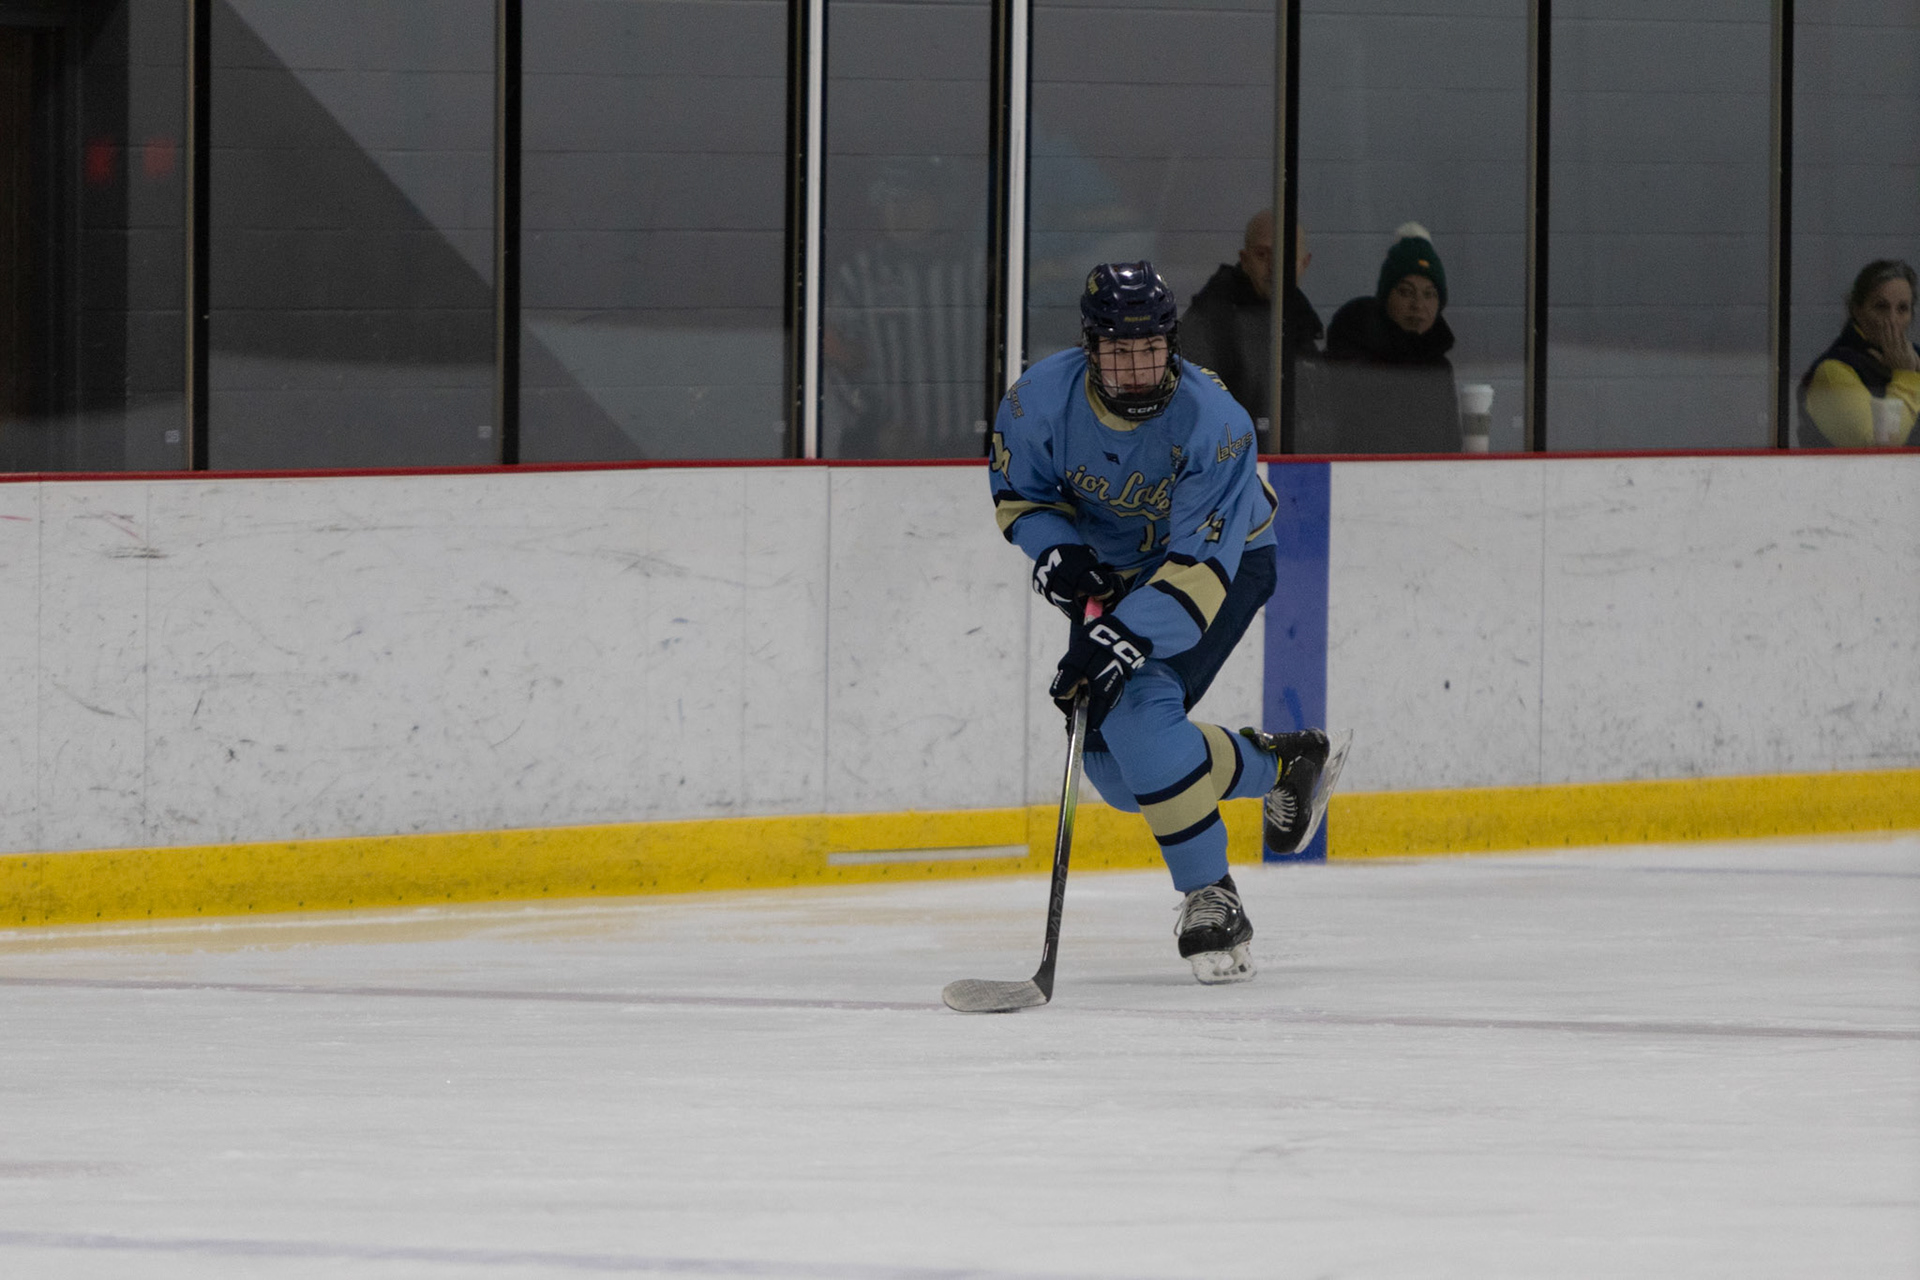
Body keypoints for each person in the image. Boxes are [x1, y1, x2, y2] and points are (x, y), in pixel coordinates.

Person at [987, 261, 1340, 985]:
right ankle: (1282, 765)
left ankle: (1213, 895)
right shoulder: (1035, 404)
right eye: (1119, 350)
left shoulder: (1216, 423)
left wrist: (1116, 641)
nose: (1138, 366)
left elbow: (1197, 571)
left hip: (1226, 565)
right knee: (1119, 775)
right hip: (1118, 576)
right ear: (1090, 347)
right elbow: (1023, 497)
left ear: (1171, 343)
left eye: (1150, 348)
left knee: (1138, 711)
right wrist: (1058, 553)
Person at [1177, 210, 1324, 448]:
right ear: (1245, 260)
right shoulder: (1211, 323)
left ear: (1304, 263)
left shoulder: (1303, 325)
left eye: (1286, 255)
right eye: (1263, 255)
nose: (1275, 266)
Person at [1320, 222, 1461, 454]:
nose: (1418, 305)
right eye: (1406, 292)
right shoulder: (1350, 359)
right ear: (1386, 298)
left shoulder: (1439, 370)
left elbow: (1450, 450)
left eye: (1429, 294)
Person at [1799, 259, 1919, 448]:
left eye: (1902, 309)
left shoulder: (1916, 360)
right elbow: (1879, 445)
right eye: (1881, 307)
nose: (1892, 319)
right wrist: (1905, 377)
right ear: (1857, 310)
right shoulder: (1833, 371)